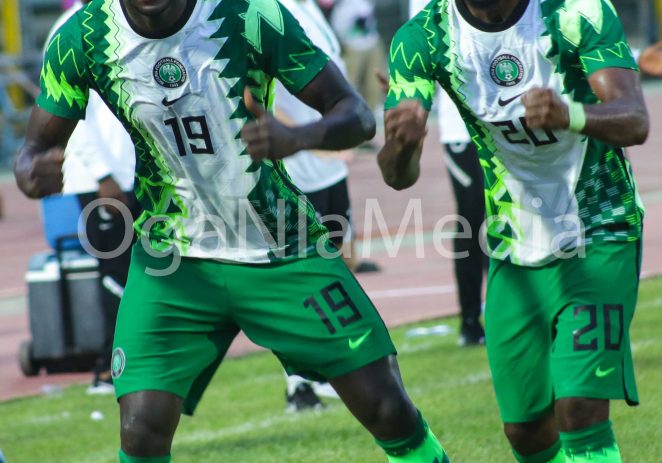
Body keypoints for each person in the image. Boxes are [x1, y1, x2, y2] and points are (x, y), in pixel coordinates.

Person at [15, 1, 451, 462]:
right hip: (173, 259)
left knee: (388, 410)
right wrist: (31, 172)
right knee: (141, 430)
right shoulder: (80, 37)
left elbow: (356, 115)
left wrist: (297, 138)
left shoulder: (249, 14)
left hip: (281, 249)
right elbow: (34, 148)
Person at [378, 0, 648, 462]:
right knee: (524, 431)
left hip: (601, 227)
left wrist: (571, 115)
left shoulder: (575, 13)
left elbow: (634, 119)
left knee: (580, 408)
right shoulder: (422, 38)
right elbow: (397, 175)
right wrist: (403, 144)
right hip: (512, 243)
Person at [45, 0, 139, 395]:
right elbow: (70, 118)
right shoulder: (70, 30)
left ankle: (137, 361)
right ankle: (106, 367)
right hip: (101, 180)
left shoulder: (120, 20)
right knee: (115, 275)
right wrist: (104, 175)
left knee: (139, 273)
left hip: (131, 175)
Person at [407, 0, 486, 346]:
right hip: (461, 130)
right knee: (473, 219)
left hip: (503, 122)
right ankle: (470, 319)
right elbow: (421, 52)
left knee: (513, 215)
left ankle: (516, 308)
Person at [331, 0, 385, 114]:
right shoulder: (342, 7)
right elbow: (338, 28)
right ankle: (347, 112)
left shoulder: (364, 3)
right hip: (353, 46)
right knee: (350, 82)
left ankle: (373, 110)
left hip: (372, 42)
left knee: (374, 81)